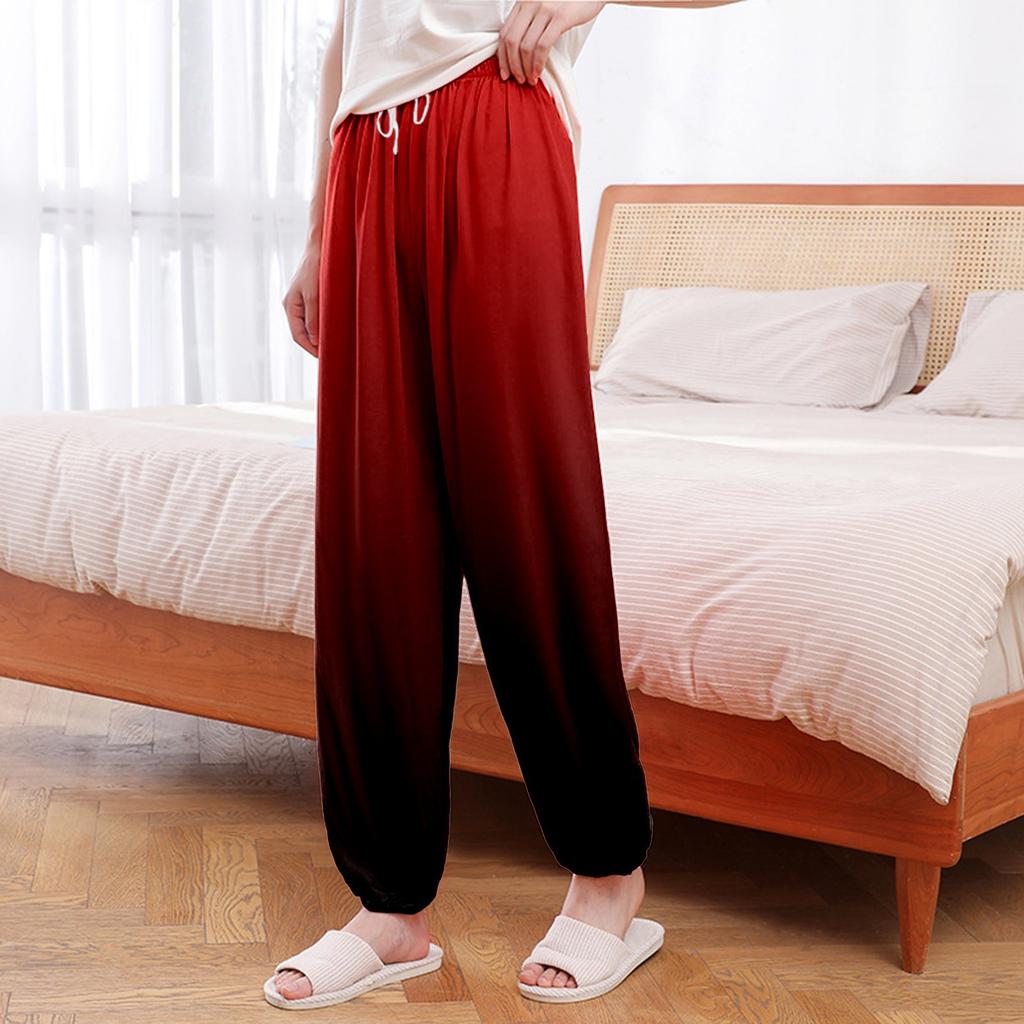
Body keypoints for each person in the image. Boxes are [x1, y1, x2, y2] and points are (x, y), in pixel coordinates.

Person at [270, 0, 743, 1009]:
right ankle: (390, 906)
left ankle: (608, 874)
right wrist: (318, 229)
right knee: (375, 537)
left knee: (524, 511)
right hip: (366, 160)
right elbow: (351, 36)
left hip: (498, 120)